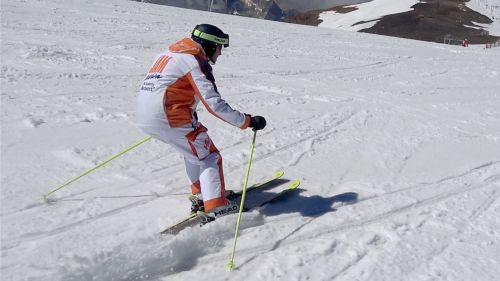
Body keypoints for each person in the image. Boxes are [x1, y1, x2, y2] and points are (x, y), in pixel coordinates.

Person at [135, 24, 266, 224]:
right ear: (210, 45)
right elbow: (214, 104)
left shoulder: (169, 53)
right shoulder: (194, 60)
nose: (220, 53)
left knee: (194, 152)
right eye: (220, 47)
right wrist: (247, 121)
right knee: (209, 156)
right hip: (170, 117)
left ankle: (201, 194)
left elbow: (169, 86)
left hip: (147, 116)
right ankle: (216, 206)